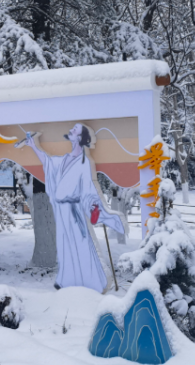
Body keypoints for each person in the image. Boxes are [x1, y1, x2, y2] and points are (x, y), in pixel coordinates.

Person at [24, 123, 125, 292]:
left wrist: (93, 206)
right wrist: (34, 146)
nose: (71, 130)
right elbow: (47, 162)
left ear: (79, 138)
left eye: (75, 130)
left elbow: (88, 189)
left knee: (81, 245)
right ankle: (66, 280)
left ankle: (93, 282)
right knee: (65, 248)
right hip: (61, 211)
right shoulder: (64, 159)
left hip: (74, 211)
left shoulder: (84, 163)